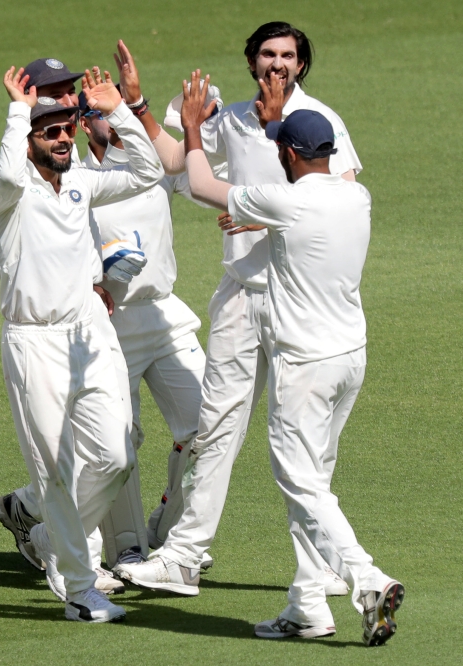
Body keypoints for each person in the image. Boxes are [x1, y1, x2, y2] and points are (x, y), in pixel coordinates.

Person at [112, 25, 357, 598]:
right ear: (251, 62)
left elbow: (341, 194)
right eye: (269, 55)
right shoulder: (239, 117)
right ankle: (183, 556)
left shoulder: (319, 122)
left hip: (298, 302)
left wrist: (261, 217)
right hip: (241, 296)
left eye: (289, 56)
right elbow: (179, 161)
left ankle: (320, 567)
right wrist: (141, 105)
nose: (278, 65)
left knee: (305, 441)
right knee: (215, 425)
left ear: (302, 64)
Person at [177, 76, 404, 645]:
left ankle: (366, 578)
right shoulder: (356, 196)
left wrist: (191, 132)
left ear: (290, 153)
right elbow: (297, 218)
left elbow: (202, 184)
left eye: (281, 144)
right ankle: (307, 606)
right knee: (316, 481)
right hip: (350, 357)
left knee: (299, 480)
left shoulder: (289, 201)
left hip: (304, 365)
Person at [0, 64, 162, 623]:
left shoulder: (83, 180)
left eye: (68, 128)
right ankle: (82, 589)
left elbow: (148, 169)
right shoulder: (8, 192)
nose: (64, 139)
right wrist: (19, 111)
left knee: (115, 453)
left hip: (88, 327)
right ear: (31, 137)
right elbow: (11, 173)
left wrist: (119, 112)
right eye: (51, 131)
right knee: (54, 472)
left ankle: (47, 536)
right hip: (33, 339)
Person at [77, 90, 207, 573]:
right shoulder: (72, 174)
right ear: (82, 122)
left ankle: (175, 534)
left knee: (208, 426)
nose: (116, 120)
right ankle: (127, 547)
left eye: (120, 111)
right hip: (109, 320)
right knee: (117, 440)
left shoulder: (148, 159)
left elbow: (198, 176)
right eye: (105, 113)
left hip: (164, 313)